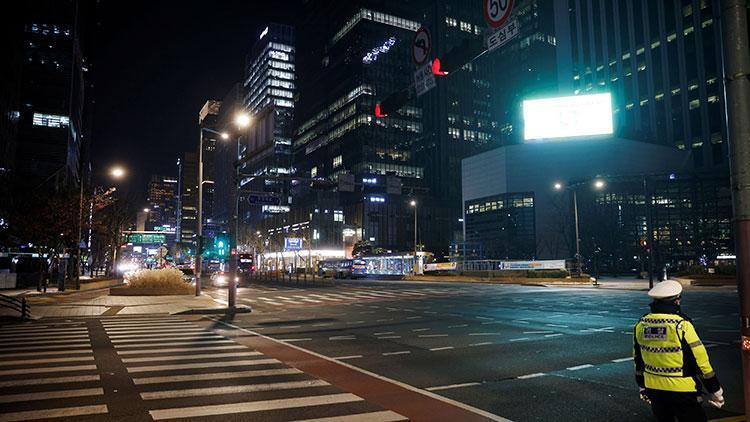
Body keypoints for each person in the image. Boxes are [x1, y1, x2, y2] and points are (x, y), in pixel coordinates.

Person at [633, 279, 724, 421]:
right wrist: (715, 390)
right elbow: (701, 361)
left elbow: (638, 359)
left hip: (654, 389)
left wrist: (641, 385)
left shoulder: (641, 324)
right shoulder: (682, 325)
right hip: (683, 390)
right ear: (676, 301)